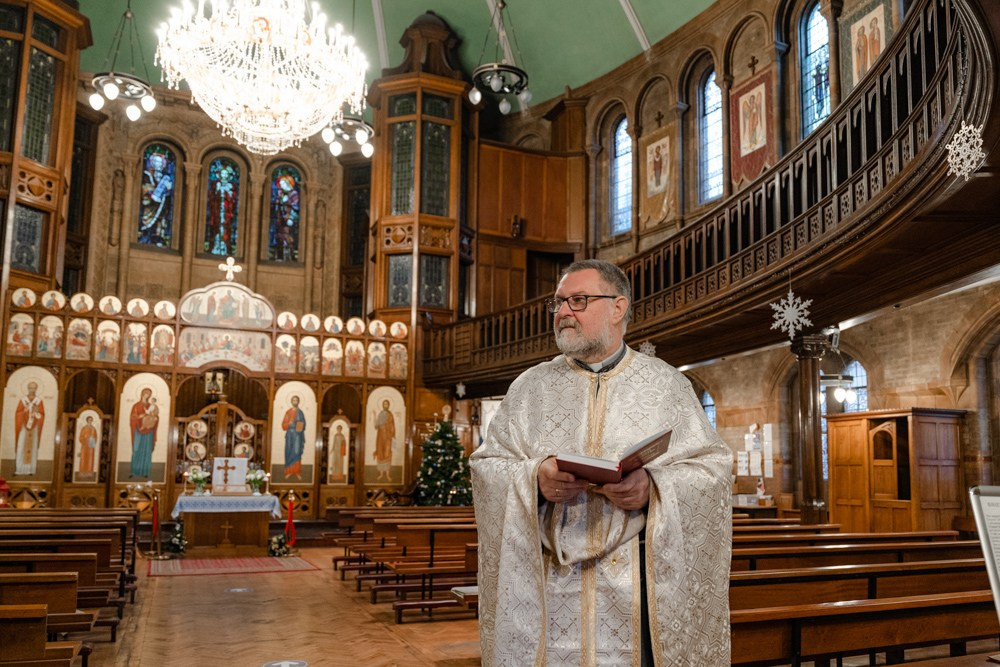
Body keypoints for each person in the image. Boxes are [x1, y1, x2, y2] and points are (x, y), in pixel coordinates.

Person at [470, 259, 732, 666]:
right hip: (550, 584)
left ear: (618, 307)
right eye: (558, 303)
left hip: (636, 592)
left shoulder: (666, 385)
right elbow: (488, 465)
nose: (562, 313)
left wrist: (653, 488)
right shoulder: (530, 388)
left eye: (578, 300)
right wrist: (534, 477)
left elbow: (711, 470)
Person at [14, 381, 45, 475]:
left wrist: (36, 412)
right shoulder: (23, 400)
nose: (32, 390)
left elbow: (42, 415)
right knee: (21, 446)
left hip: (34, 428)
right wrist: (24, 411)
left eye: (34, 388)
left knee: (33, 447)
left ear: (36, 389)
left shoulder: (39, 401)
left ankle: (31, 470)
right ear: (28, 388)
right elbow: (17, 413)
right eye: (31, 388)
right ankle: (19, 470)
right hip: (24, 427)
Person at [129, 388, 158, 478]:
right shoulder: (136, 406)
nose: (147, 395)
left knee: (147, 450)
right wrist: (139, 416)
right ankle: (134, 471)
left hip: (148, 430)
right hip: (138, 429)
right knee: (137, 449)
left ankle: (145, 471)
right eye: (145, 393)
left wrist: (155, 418)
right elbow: (132, 417)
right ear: (142, 394)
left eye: (148, 394)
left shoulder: (151, 405)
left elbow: (155, 415)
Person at [282, 395, 306, 480]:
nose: (295, 402)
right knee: (288, 451)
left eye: (296, 400)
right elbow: (283, 426)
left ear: (298, 402)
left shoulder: (300, 413)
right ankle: (288, 471)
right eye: (293, 400)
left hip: (298, 435)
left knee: (297, 452)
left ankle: (297, 471)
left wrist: (298, 426)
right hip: (289, 435)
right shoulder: (288, 412)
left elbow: (303, 424)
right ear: (291, 402)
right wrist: (289, 423)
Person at [373, 399, 395, 482]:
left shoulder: (390, 415)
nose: (385, 405)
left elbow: (392, 426)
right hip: (380, 436)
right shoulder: (380, 414)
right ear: (382, 405)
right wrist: (375, 415)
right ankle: (381, 473)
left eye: (386, 404)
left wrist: (390, 434)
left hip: (387, 436)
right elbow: (376, 426)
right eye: (384, 404)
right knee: (380, 453)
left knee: (387, 453)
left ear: (388, 405)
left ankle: (388, 474)